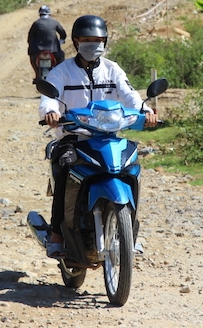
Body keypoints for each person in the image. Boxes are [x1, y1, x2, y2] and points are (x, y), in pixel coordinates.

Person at [38, 14, 158, 258]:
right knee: (65, 166)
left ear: (105, 41)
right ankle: (57, 234)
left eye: (98, 40)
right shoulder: (62, 72)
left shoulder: (113, 70)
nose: (93, 45)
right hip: (74, 138)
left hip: (108, 138)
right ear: (76, 41)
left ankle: (130, 231)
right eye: (87, 39)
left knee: (131, 167)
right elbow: (49, 98)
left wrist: (145, 111)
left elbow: (130, 95)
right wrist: (51, 112)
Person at [27, 5, 67, 83]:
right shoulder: (54, 22)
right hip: (53, 50)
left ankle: (37, 74)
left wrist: (32, 46)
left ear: (40, 14)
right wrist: (61, 41)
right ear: (49, 13)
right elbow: (63, 34)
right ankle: (60, 74)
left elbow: (30, 37)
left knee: (32, 58)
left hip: (38, 51)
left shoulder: (36, 23)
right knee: (61, 57)